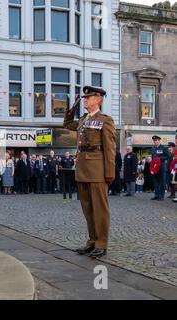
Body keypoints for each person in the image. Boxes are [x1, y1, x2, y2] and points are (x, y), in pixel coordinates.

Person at [63, 86, 116, 258]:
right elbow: (66, 124)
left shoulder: (105, 120)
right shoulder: (83, 119)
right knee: (87, 209)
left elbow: (109, 149)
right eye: (84, 98)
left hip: (98, 170)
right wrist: (71, 110)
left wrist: (109, 172)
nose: (85, 100)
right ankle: (92, 241)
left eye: (89, 97)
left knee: (100, 209)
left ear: (98, 99)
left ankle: (102, 243)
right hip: (83, 169)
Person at [151, 135, 170, 201]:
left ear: (159, 140)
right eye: (154, 141)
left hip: (162, 167)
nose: (155, 142)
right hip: (155, 167)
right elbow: (153, 157)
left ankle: (161, 196)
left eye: (156, 140)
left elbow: (168, 156)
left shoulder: (163, 147)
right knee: (156, 182)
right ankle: (156, 195)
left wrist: (159, 159)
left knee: (162, 182)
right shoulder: (153, 148)